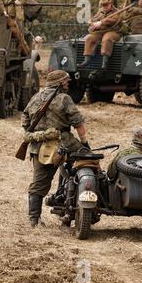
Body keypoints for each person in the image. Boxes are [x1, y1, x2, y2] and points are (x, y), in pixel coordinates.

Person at [21, 70, 88, 227]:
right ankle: (75, 205)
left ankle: (34, 219)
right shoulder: (65, 98)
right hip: (65, 144)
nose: (68, 84)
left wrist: (39, 134)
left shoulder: (35, 97)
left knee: (38, 184)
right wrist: (85, 143)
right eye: (66, 82)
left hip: (39, 147)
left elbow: (25, 121)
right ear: (60, 84)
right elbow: (78, 122)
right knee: (87, 165)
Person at [78, 0, 122, 69]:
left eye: (106, 4)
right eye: (103, 5)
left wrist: (102, 22)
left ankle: (104, 62)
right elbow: (95, 18)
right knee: (90, 38)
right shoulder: (100, 11)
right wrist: (91, 22)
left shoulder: (117, 12)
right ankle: (86, 60)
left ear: (110, 3)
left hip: (113, 31)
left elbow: (115, 20)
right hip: (101, 31)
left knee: (107, 39)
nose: (104, 6)